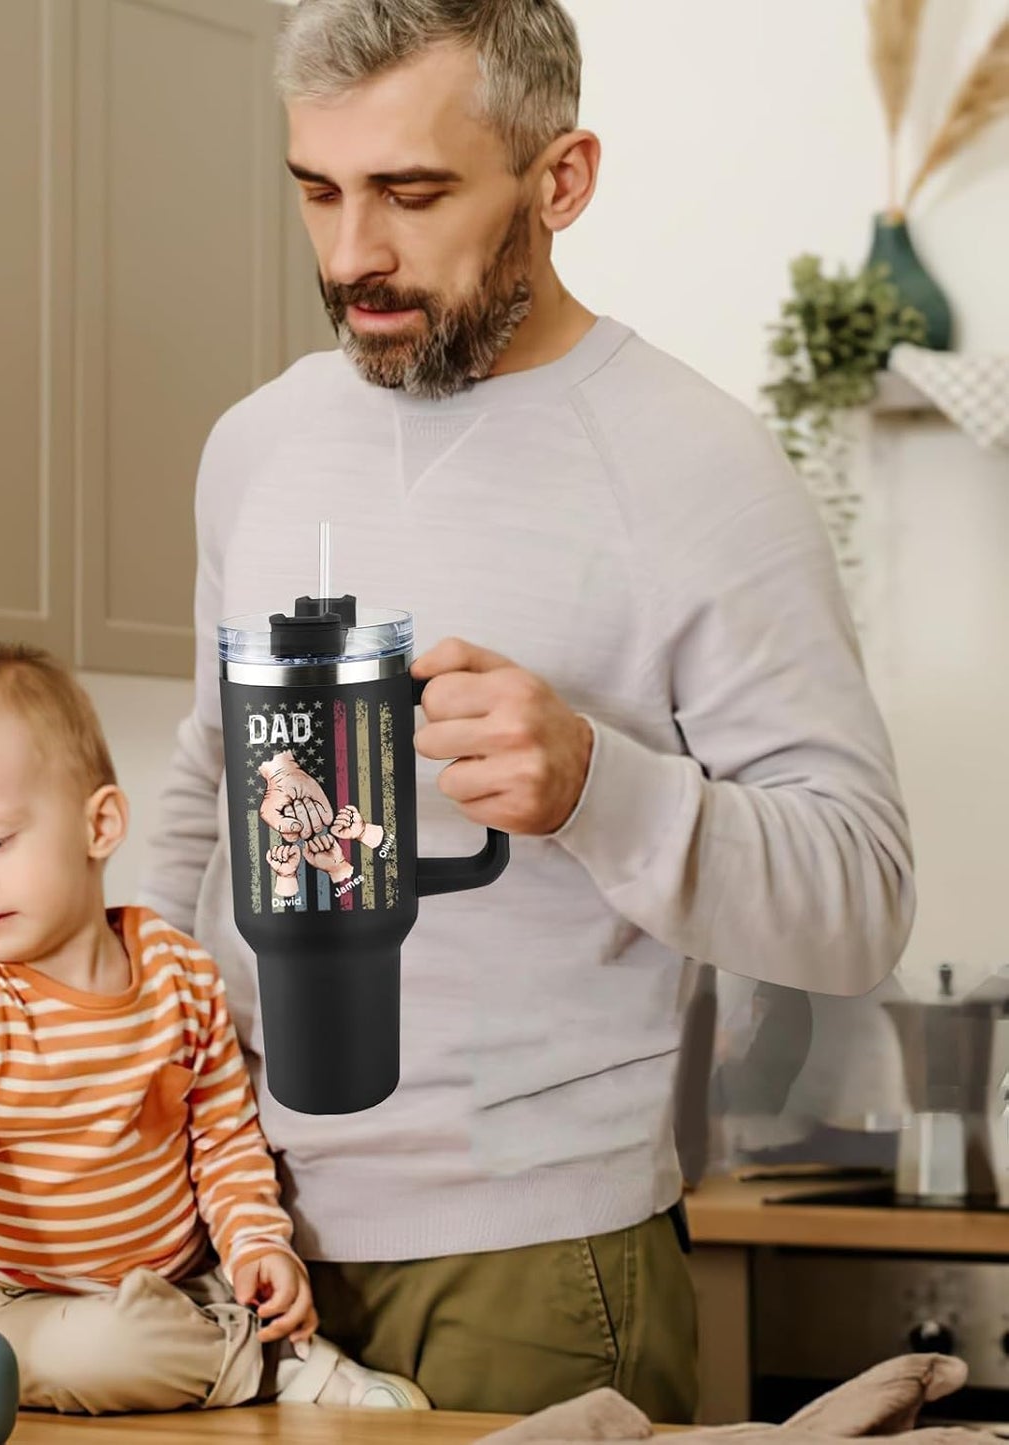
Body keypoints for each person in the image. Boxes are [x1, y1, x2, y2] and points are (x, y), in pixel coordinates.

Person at [139, 0, 915, 1421]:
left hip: (531, 1262)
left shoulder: (694, 468)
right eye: (319, 189)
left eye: (411, 193)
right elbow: (204, 782)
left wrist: (592, 790)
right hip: (230, 1251)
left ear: (560, 181)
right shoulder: (255, 447)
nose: (351, 252)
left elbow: (860, 894)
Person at [0, 642, 429, 1414]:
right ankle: (275, 1369)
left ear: (98, 824)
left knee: (134, 1333)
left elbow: (226, 1142)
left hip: (171, 1286)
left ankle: (240, 1345)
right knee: (97, 1350)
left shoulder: (182, 975)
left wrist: (256, 1244)